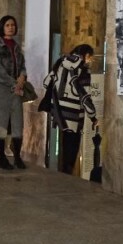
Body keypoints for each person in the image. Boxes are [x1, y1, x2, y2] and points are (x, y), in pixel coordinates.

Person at [42, 44, 98, 175]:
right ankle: (67, 176)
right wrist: (93, 116)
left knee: (65, 143)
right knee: (73, 147)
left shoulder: (60, 62)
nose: (89, 61)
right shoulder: (82, 69)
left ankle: (62, 174)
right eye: (90, 57)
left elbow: (46, 82)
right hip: (74, 114)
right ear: (86, 55)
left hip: (60, 112)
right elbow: (84, 96)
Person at [0, 15, 28, 170]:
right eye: (8, 25)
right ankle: (2, 158)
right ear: (2, 27)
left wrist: (22, 77)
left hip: (16, 90)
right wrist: (14, 82)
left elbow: (22, 64)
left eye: (13, 25)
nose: (11, 27)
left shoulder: (17, 46)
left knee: (17, 124)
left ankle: (17, 157)